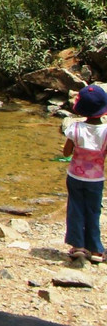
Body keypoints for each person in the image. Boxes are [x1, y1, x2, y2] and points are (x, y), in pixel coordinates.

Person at [62, 84, 107, 262]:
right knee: (93, 211)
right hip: (95, 179)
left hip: (74, 177)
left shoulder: (75, 128)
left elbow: (66, 153)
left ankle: (78, 246)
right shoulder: (105, 131)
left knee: (75, 209)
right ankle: (96, 250)